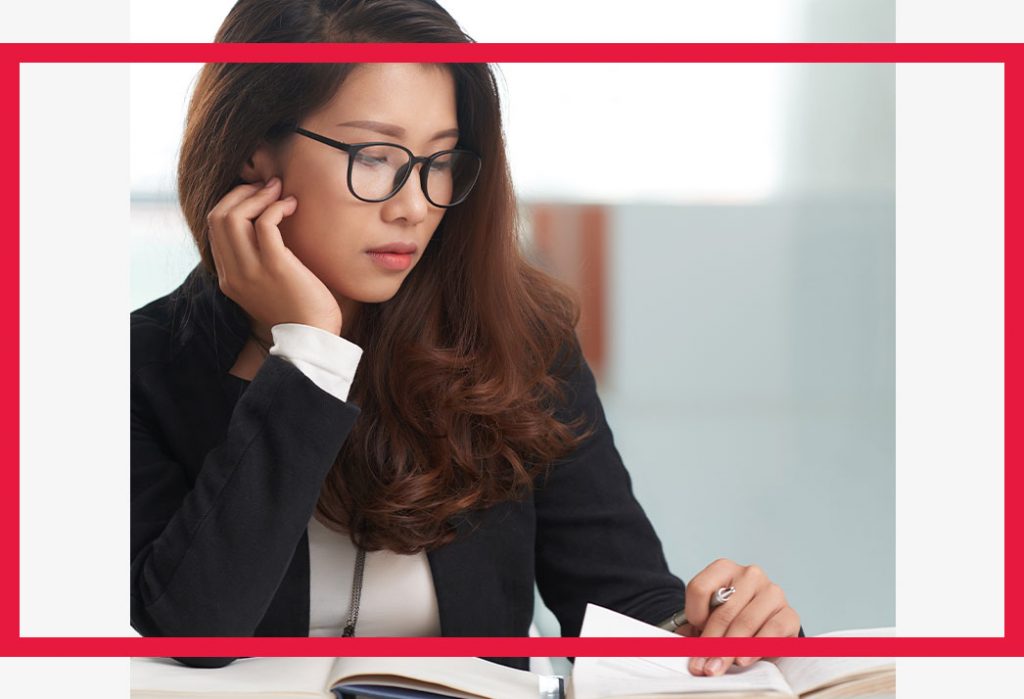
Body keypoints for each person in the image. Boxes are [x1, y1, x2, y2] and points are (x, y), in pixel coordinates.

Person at [130, 0, 802, 677]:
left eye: (442, 159)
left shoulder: (520, 342)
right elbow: (195, 629)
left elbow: (618, 596)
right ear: (254, 148)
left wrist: (721, 625)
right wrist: (309, 352)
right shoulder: (138, 366)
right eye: (376, 155)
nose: (415, 204)